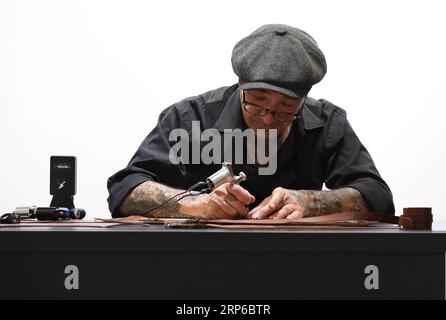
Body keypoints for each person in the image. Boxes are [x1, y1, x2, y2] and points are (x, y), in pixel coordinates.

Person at [107, 24, 395, 220]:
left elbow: (377, 196)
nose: (269, 119)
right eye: (257, 102)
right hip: (195, 265)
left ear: (303, 100)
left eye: (285, 108)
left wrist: (311, 202)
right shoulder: (190, 117)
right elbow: (125, 190)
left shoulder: (327, 123)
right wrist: (197, 205)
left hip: (299, 267)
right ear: (241, 87)